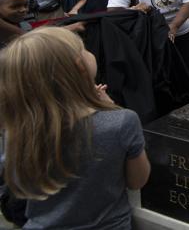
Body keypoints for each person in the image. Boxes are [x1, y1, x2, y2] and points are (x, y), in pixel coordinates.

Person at [0, 27, 150, 228]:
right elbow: (137, 180)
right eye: (84, 48)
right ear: (80, 66)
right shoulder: (122, 121)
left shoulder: (18, 130)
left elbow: (20, 186)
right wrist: (112, 108)